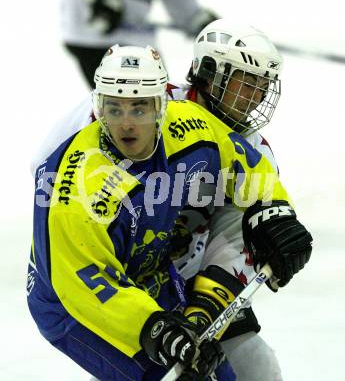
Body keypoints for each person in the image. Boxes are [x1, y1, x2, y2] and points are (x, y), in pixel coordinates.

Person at [30, 20, 313, 380]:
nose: (256, 97)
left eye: (262, 86)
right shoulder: (134, 99)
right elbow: (45, 171)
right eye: (247, 83)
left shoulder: (221, 136)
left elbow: (237, 234)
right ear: (211, 75)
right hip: (97, 276)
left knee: (257, 368)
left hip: (177, 276)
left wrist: (276, 215)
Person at [61, 0, 218, 87]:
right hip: (93, 41)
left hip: (135, 41)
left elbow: (181, 3)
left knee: (158, 101)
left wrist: (200, 22)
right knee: (129, 106)